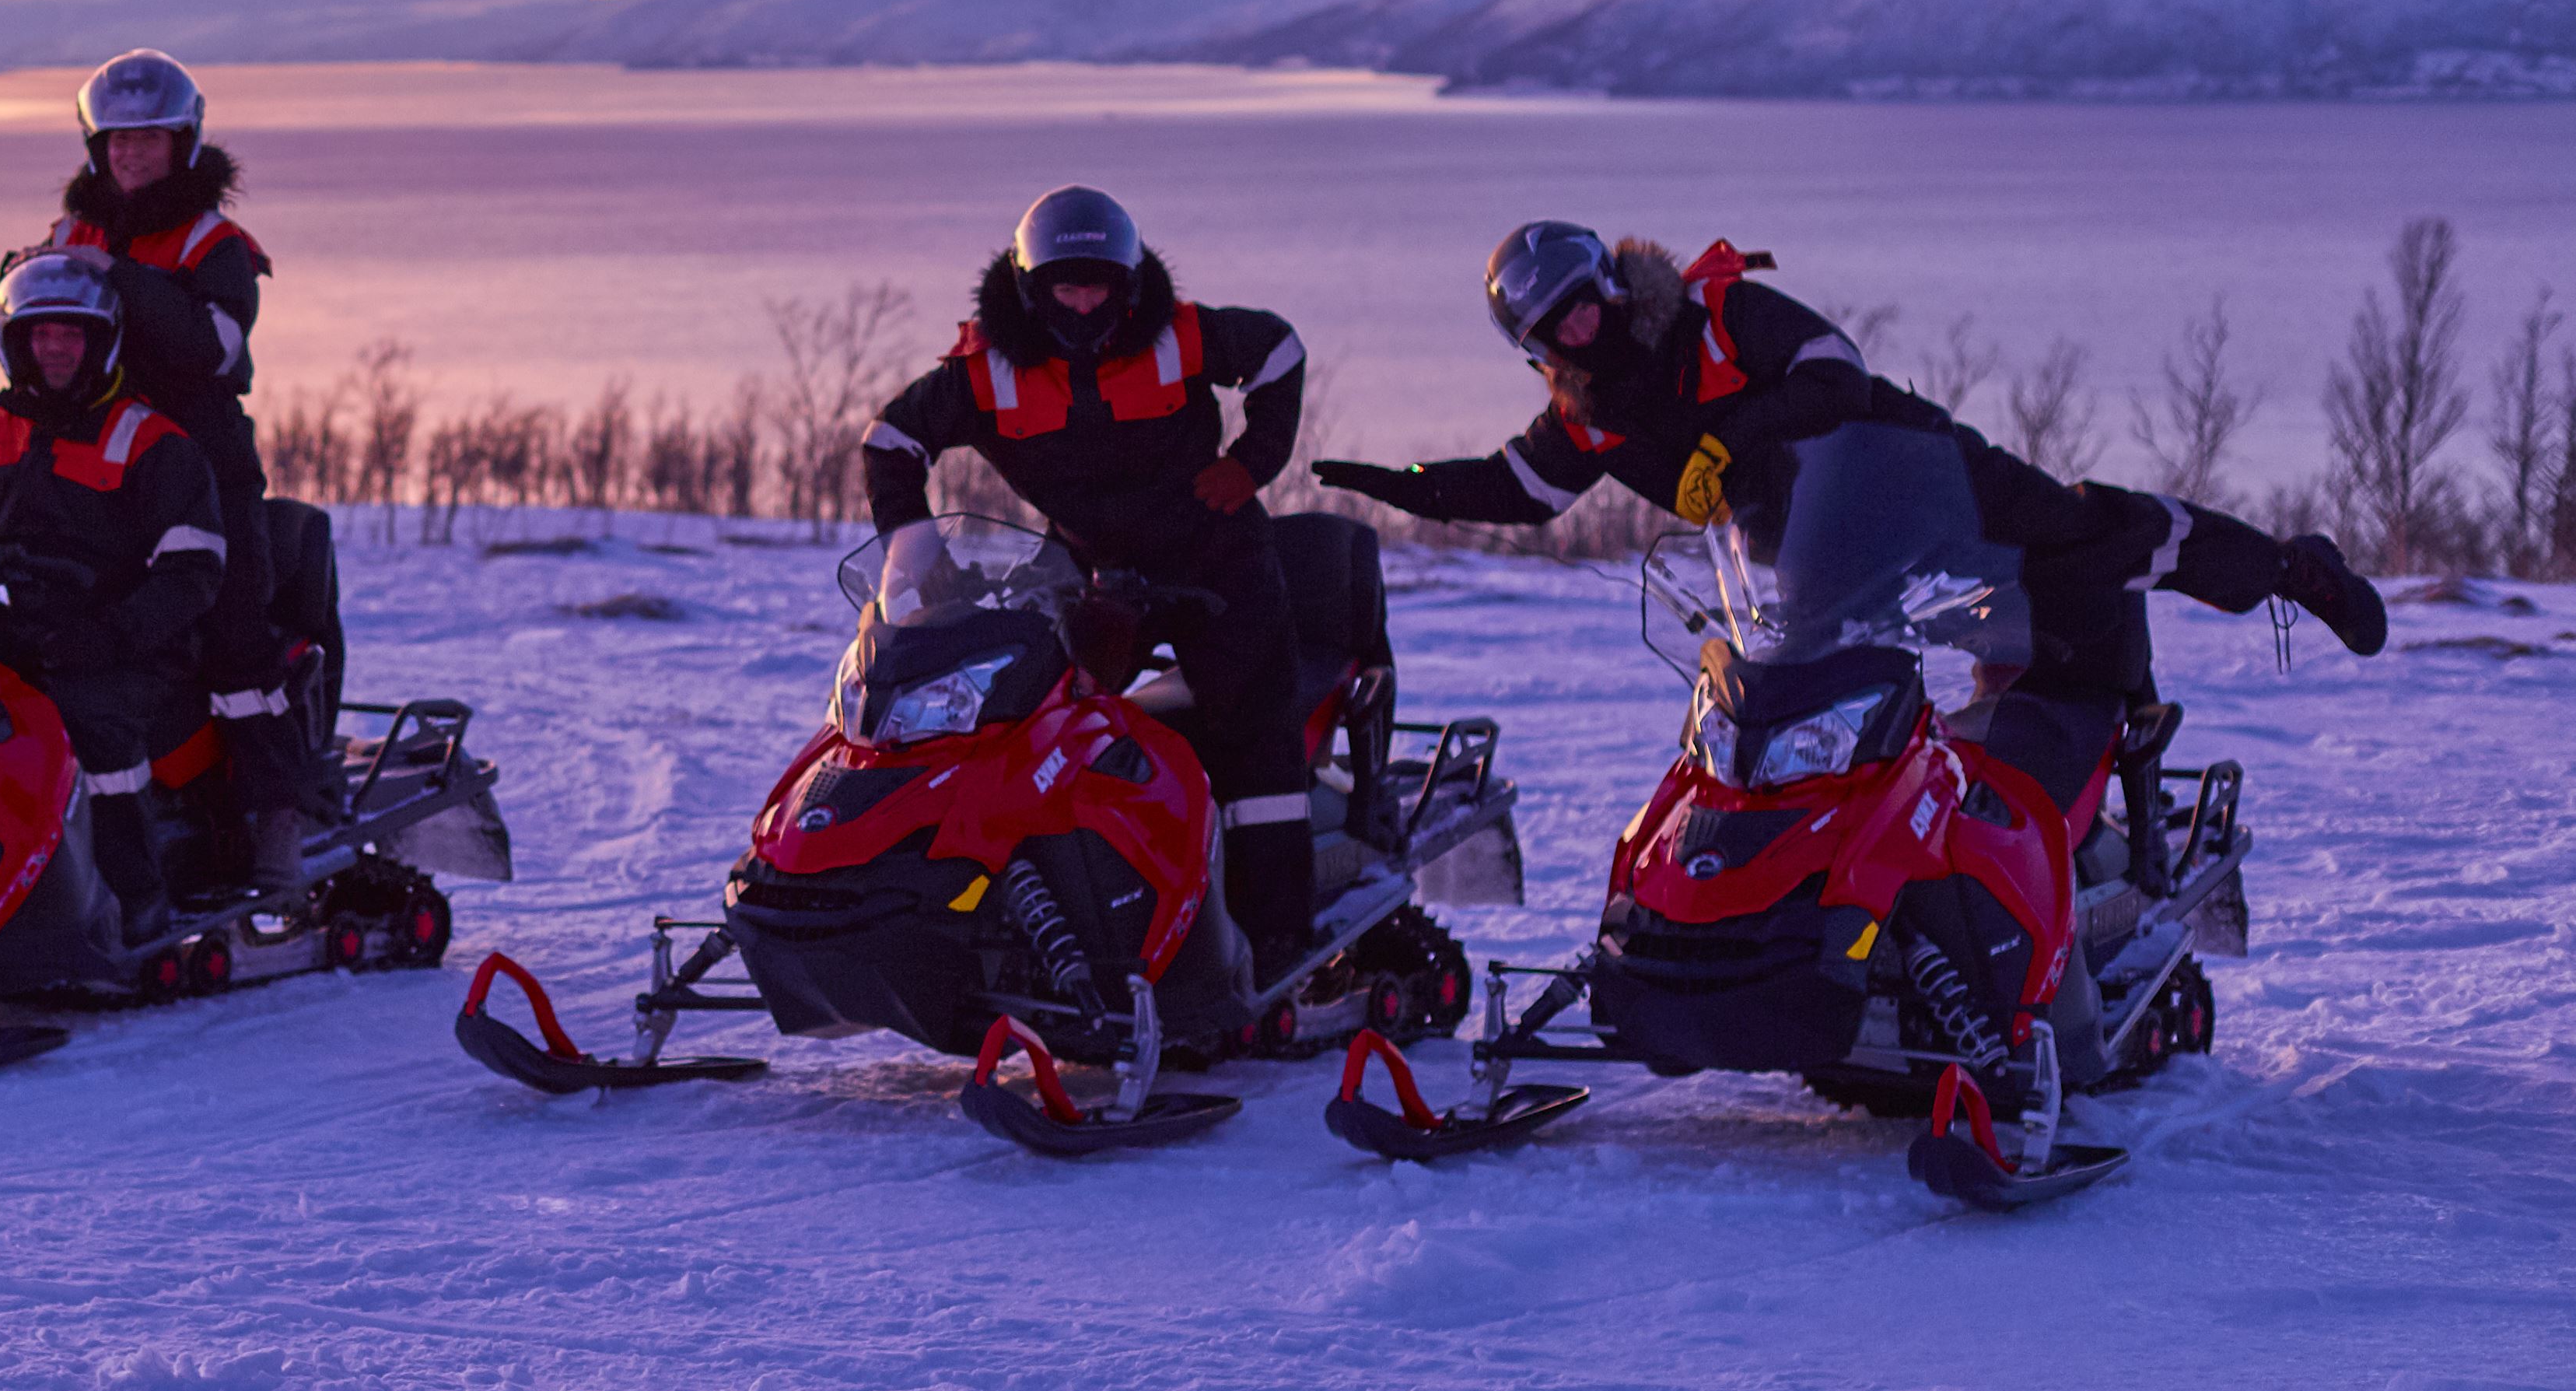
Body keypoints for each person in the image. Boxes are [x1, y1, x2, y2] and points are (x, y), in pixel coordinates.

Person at [1312, 221, 2389, 727]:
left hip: (1909, 467)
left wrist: (1726, 445)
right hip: (1815, 553)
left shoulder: (1715, 311)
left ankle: (2290, 570)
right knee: (1804, 702)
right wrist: (1398, 484)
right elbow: (1516, 491)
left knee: (2081, 533)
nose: (1583, 331)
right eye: (1557, 329)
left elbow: (1834, 372)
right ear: (1539, 346)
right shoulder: (1589, 414)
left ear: (1606, 279)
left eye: (1587, 302)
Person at [856, 185, 1325, 976]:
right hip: (1087, 569)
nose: (1083, 303)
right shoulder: (988, 369)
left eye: (1098, 285)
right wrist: (918, 551)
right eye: (1066, 288)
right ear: (1033, 289)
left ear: (1128, 283)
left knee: (1253, 724)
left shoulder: (1180, 335)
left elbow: (1279, 351)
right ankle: (1057, 917)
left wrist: (1251, 462)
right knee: (1038, 728)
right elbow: (891, 438)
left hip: (1218, 556)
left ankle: (1277, 939)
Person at [43, 49, 313, 894]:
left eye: (148, 140)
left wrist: (120, 278)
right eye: (117, 140)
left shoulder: (213, 241)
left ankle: (279, 817)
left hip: (203, 457)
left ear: (183, 142)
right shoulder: (72, 233)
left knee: (235, 642)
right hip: (101, 463)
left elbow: (216, 346)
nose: (131, 154)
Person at [0, 253, 229, 945]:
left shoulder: (149, 441)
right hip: (25, 631)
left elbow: (194, 572)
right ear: (15, 344)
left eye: (72, 335)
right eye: (41, 336)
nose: (56, 349)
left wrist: (113, 633)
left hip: (135, 647)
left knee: (89, 722)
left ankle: (134, 899)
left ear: (100, 342)